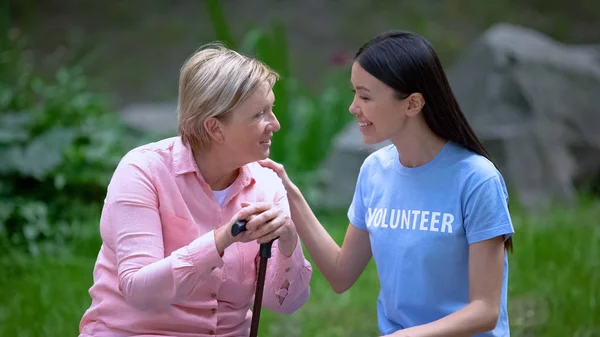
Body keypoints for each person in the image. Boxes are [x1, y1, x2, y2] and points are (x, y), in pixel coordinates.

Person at [259, 30, 515, 337]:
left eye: (365, 96)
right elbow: (341, 275)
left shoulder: (477, 179)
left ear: (412, 104)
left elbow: (486, 310)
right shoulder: (375, 171)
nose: (354, 107)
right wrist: (290, 193)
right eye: (354, 93)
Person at [78, 43, 312, 337]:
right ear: (215, 128)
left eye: (272, 110)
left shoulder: (266, 184)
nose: (275, 124)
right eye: (259, 115)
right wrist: (222, 238)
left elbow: (286, 303)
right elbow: (139, 290)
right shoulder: (143, 171)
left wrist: (290, 242)